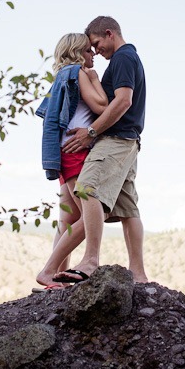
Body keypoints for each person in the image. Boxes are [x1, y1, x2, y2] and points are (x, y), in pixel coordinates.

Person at [38, 16, 148, 287]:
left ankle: (87, 261)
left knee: (87, 192)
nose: (96, 51)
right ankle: (138, 274)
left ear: (110, 34)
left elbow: (121, 102)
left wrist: (91, 133)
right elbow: (106, 103)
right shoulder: (107, 65)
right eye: (90, 48)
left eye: (96, 44)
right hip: (123, 140)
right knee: (126, 208)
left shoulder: (122, 58)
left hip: (115, 139)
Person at [35, 33, 108, 284]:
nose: (93, 55)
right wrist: (96, 79)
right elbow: (101, 105)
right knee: (93, 213)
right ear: (77, 52)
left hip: (64, 150)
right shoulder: (78, 72)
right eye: (89, 50)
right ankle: (48, 271)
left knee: (67, 219)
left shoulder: (62, 75)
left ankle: (57, 279)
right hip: (76, 150)